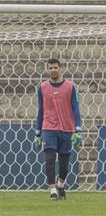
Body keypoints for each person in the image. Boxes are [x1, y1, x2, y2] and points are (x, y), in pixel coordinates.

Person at [33, 58, 83, 200]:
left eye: (55, 67)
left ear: (61, 68)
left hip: (66, 129)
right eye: (50, 68)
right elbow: (41, 110)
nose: (53, 70)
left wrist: (78, 130)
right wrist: (38, 133)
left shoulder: (70, 86)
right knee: (49, 158)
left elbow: (75, 108)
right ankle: (52, 190)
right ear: (47, 69)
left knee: (63, 166)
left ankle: (61, 184)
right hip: (48, 128)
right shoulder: (42, 87)